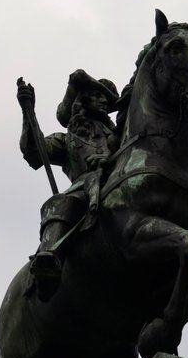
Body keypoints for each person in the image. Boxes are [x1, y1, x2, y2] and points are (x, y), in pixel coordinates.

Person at [17, 69, 119, 299]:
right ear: (83, 101)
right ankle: (49, 259)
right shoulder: (66, 139)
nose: (103, 100)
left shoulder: (122, 133)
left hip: (120, 182)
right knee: (61, 203)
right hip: (83, 190)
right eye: (97, 95)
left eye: (106, 97)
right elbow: (34, 152)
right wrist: (27, 112)